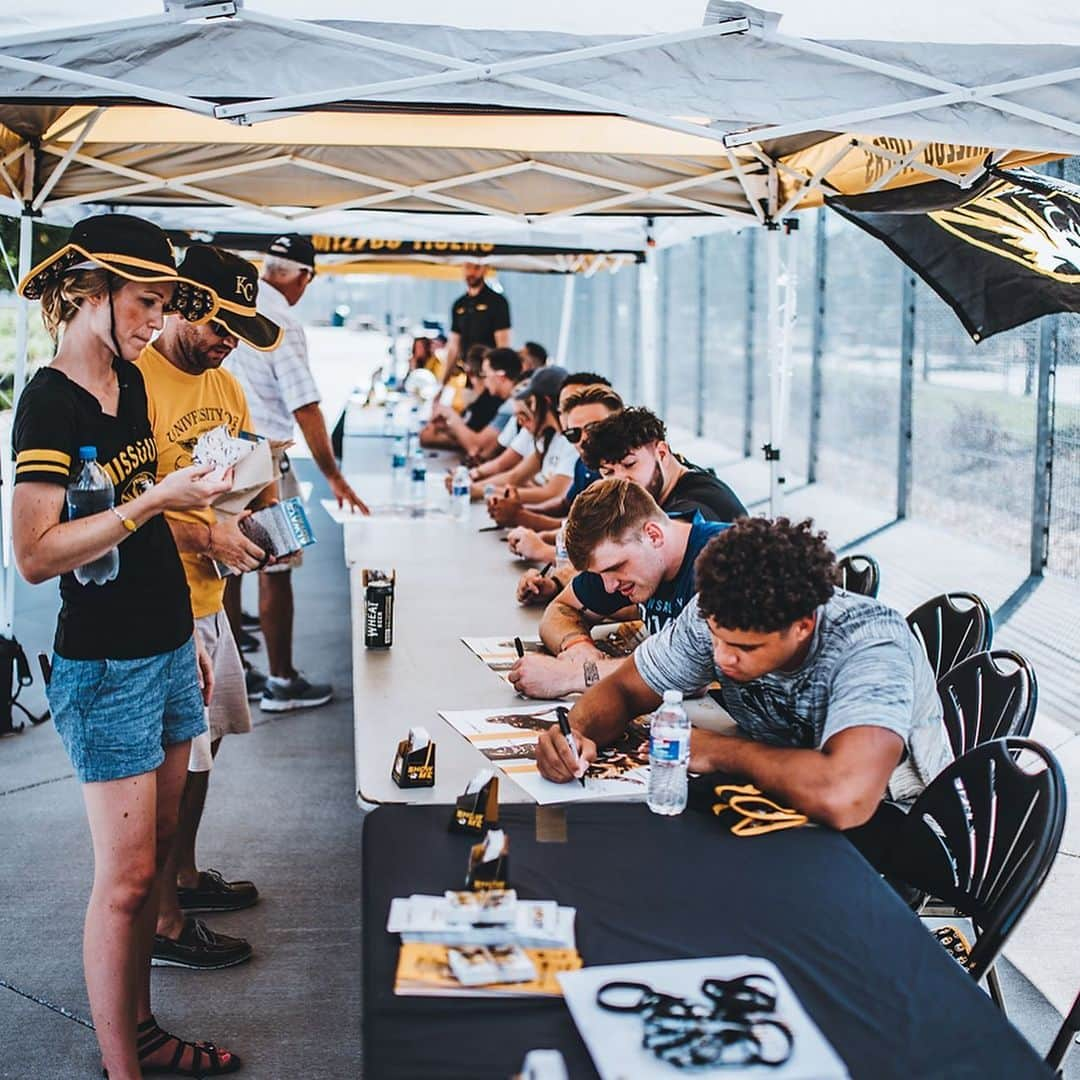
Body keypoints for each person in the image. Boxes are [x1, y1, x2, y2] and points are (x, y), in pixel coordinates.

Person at [12, 214, 241, 1078]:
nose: (153, 322)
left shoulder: (132, 380)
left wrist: (187, 631)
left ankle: (143, 1030)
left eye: (160, 306)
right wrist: (156, 501)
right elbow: (35, 555)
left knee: (154, 874)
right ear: (91, 291)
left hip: (167, 644)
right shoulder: (49, 401)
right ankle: (124, 1067)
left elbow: (142, 532)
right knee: (127, 882)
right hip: (105, 667)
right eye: (145, 303)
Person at [535, 518, 953, 883]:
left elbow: (845, 796)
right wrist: (575, 731)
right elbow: (626, 688)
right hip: (782, 803)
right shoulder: (719, 610)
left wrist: (721, 752)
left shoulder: (871, 646)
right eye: (717, 638)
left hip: (892, 831)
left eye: (744, 648)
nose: (721, 658)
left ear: (803, 626)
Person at [135, 245, 283, 970]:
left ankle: (185, 878)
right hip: (162, 611)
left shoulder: (225, 384)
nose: (228, 344)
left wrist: (271, 524)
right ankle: (162, 920)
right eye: (221, 326)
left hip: (211, 600)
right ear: (185, 303)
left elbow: (254, 469)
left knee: (205, 751)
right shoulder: (134, 383)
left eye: (238, 333)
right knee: (170, 768)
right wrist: (206, 535)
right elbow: (120, 513)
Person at [226, 233, 370, 711]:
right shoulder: (284, 321)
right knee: (279, 569)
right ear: (303, 277)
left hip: (219, 453)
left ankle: (236, 672)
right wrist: (335, 476)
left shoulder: (230, 305)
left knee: (227, 570)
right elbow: (306, 406)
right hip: (268, 457)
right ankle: (283, 680)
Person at [509, 479, 729, 699]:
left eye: (615, 568)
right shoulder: (620, 554)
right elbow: (561, 608)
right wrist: (577, 645)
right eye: (600, 575)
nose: (609, 586)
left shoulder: (723, 563)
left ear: (653, 535)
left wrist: (570, 675)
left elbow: (682, 671)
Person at [503, 381, 623, 558]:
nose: (584, 440)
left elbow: (605, 551)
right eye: (574, 434)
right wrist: (540, 533)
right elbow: (569, 508)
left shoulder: (626, 477)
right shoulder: (582, 463)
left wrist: (538, 543)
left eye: (595, 429)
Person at [583, 407, 747, 522]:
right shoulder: (675, 481)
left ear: (661, 453)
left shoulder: (690, 512)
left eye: (630, 464)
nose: (619, 481)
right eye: (608, 472)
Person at [428, 346, 523, 461]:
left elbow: (479, 449)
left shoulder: (511, 407)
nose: (485, 381)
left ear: (501, 377)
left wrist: (451, 415)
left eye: (486, 375)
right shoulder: (508, 403)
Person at [441, 261, 511, 382]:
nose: (471, 272)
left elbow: (503, 345)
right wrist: (443, 382)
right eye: (468, 267)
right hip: (467, 376)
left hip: (488, 376)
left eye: (476, 268)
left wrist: (496, 377)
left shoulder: (497, 302)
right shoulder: (459, 304)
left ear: (485, 269)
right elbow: (453, 346)